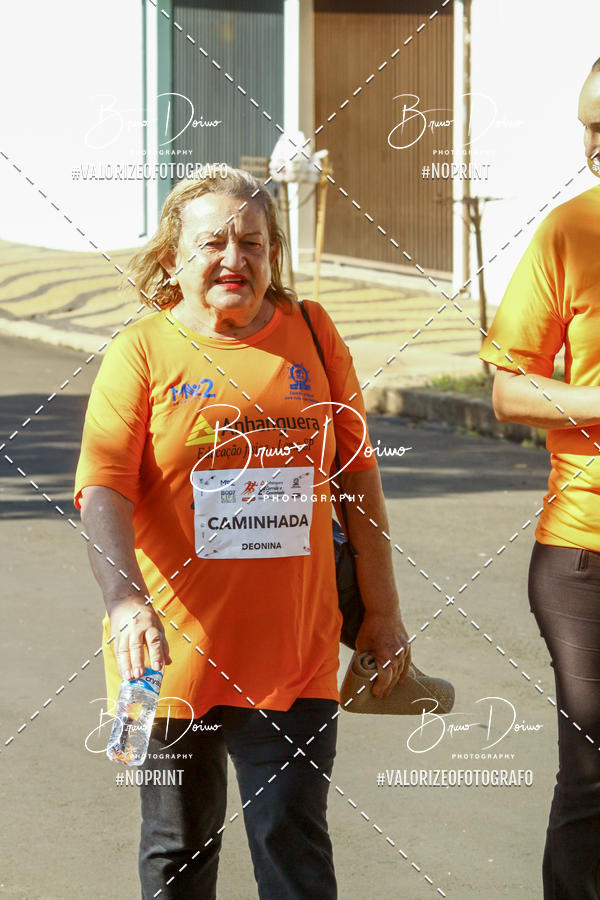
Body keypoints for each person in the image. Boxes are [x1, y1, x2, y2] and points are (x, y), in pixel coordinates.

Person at [74, 167, 412, 899]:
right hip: (169, 658)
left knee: (294, 854)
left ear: (273, 253)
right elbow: (101, 486)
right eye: (213, 243)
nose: (235, 258)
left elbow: (357, 478)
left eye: (252, 242)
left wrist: (382, 612)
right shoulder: (141, 350)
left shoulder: (313, 334)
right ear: (172, 257)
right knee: (177, 857)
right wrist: (123, 599)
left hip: (293, 652)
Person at [479, 59, 600, 899]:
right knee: (593, 772)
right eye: (589, 125)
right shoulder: (570, 231)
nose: (596, 144)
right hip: (584, 553)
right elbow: (507, 387)